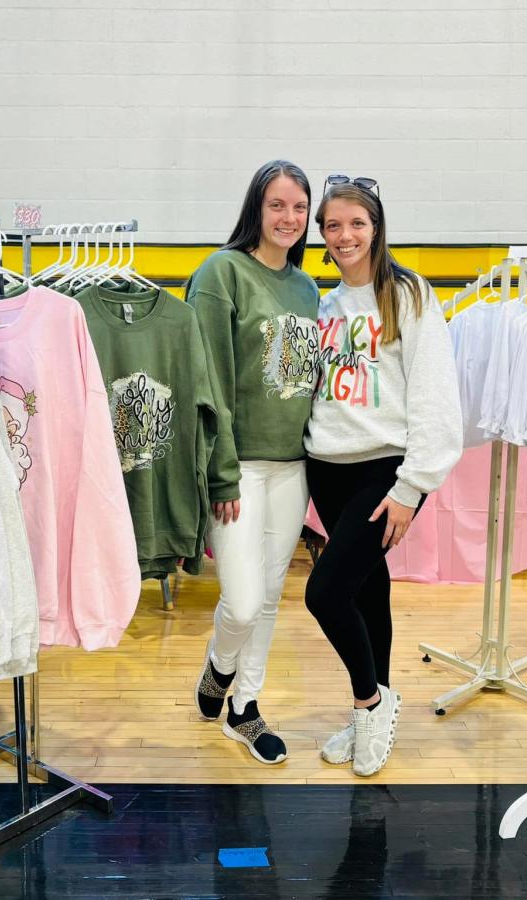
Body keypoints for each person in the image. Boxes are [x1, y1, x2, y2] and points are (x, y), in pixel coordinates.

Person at [304, 176, 463, 776]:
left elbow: (435, 395)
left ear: (376, 228)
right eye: (333, 225)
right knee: (367, 589)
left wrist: (411, 486)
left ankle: (370, 703)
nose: (344, 235)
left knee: (324, 593)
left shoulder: (408, 294)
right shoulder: (323, 305)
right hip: (328, 466)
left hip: (383, 469)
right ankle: (377, 705)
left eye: (356, 223)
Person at [187, 160, 321, 765]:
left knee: (268, 597)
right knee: (241, 602)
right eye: (277, 205)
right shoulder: (222, 274)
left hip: (293, 466)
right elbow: (208, 381)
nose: (289, 218)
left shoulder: (307, 288)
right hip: (238, 466)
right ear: (256, 209)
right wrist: (220, 471)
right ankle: (220, 665)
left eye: (299, 207)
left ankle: (245, 707)